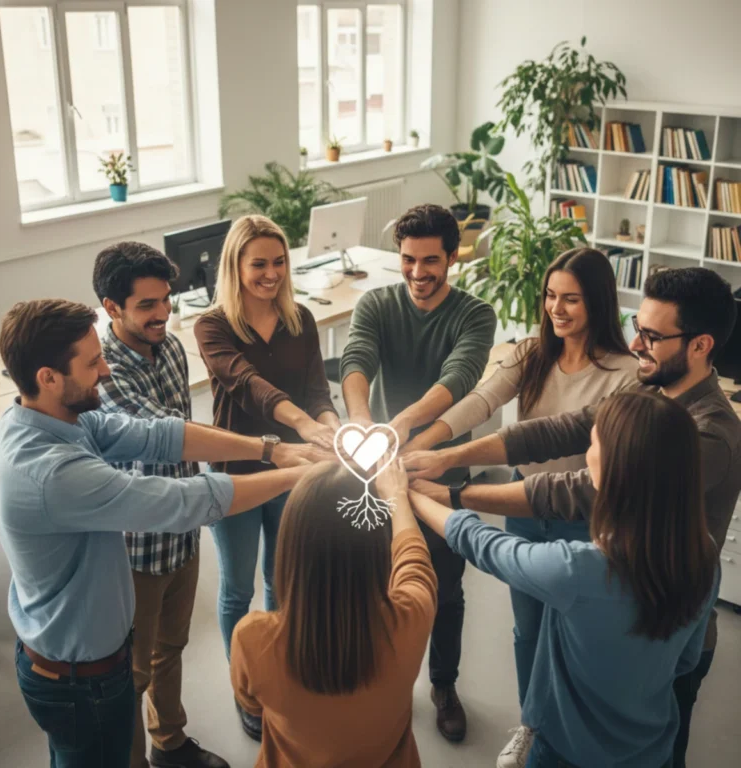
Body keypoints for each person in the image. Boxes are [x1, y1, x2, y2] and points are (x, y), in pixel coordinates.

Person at [406, 266, 741, 767]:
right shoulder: (647, 391)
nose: (638, 344)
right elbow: (560, 430)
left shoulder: (709, 433)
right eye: (637, 327)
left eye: (652, 336)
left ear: (700, 345)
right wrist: (447, 456)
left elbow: (576, 493)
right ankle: (537, 726)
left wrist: (452, 495)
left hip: (661, 626)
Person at [0, 299, 319, 768]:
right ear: (48, 377)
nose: (105, 369)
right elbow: (178, 501)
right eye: (92, 362)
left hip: (78, 664)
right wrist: (296, 478)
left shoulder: (47, 416)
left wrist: (273, 451)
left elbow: (157, 435)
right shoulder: (52, 473)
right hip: (80, 682)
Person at [403, 246, 638, 765]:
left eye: (571, 300)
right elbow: (481, 401)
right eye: (551, 296)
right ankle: (533, 723)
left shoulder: (626, 374)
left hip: (586, 520)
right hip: (523, 509)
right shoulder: (532, 353)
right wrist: (424, 440)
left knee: (578, 635)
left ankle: (575, 733)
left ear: (598, 304)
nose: (557, 309)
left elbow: (550, 438)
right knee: (527, 628)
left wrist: (445, 462)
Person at [410, 391, 720, 768]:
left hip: (566, 753)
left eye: (593, 442)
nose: (588, 452)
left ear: (616, 466)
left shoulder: (577, 570)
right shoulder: (703, 554)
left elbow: (484, 544)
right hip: (651, 750)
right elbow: (686, 661)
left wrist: (408, 494)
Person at [339, 203, 497, 742]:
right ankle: (384, 684)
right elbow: (356, 359)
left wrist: (400, 424)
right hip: (377, 471)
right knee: (379, 583)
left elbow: (461, 375)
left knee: (446, 589)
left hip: (443, 473)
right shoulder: (377, 303)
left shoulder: (475, 314)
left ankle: (443, 684)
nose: (418, 273)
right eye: (408, 260)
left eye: (431, 261)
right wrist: (363, 423)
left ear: (453, 257)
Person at [193, 215, 340, 741]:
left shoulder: (299, 317)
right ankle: (246, 685)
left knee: (282, 579)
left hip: (294, 472)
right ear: (236, 265)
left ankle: (277, 668)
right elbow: (246, 383)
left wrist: (330, 425)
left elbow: (318, 390)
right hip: (237, 472)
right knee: (236, 588)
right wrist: (301, 423)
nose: (271, 274)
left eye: (279, 263)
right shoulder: (212, 325)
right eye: (259, 264)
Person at [92, 242, 226, 768]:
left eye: (166, 300)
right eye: (147, 304)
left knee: (171, 648)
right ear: (112, 307)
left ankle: (169, 741)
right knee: (133, 671)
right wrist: (263, 451)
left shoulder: (168, 347)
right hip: (138, 546)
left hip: (183, 529)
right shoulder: (104, 373)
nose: (163, 314)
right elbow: (167, 435)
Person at [230, 458, 437, 767]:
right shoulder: (412, 617)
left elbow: (251, 704)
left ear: (289, 547)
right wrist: (396, 496)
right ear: (376, 550)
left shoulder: (253, 639)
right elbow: (414, 559)